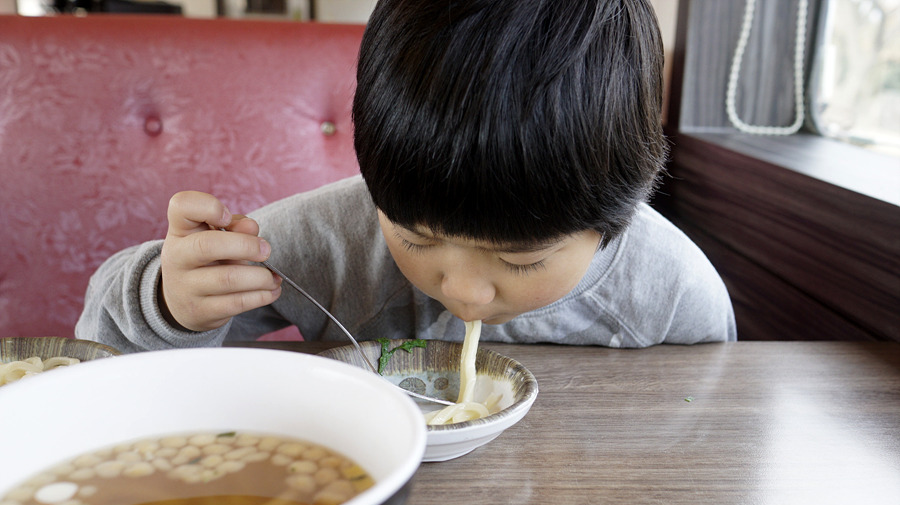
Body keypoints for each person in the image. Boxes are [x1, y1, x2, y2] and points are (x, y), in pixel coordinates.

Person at [76, 0, 736, 353]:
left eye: (524, 256)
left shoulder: (671, 291)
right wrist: (168, 302)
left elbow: (706, 421)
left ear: (612, 220)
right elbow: (100, 354)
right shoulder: (331, 240)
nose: (469, 294)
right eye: (418, 240)